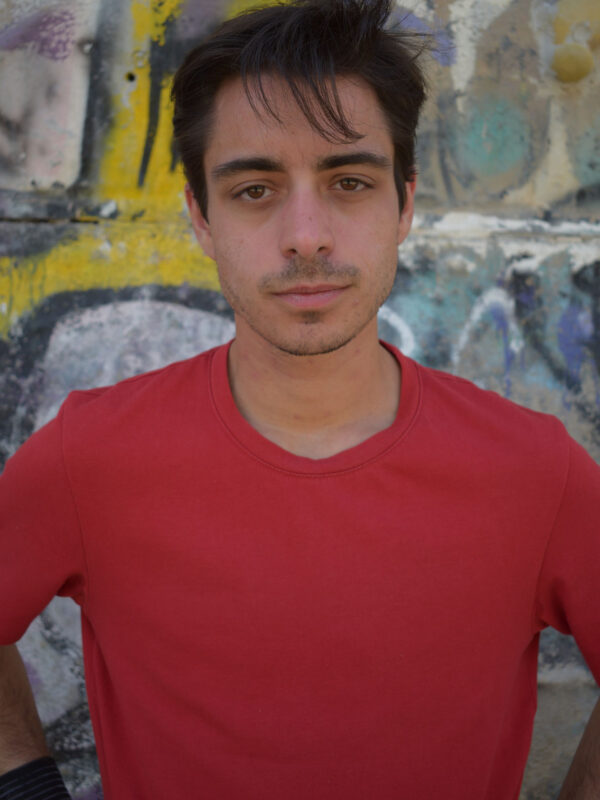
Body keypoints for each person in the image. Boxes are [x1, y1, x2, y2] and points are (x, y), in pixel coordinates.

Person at [1, 0, 599, 797]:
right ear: (200, 217)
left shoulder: (535, 471)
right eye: (255, 189)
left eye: (349, 182)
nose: (307, 234)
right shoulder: (90, 457)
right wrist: (25, 782)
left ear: (405, 204)